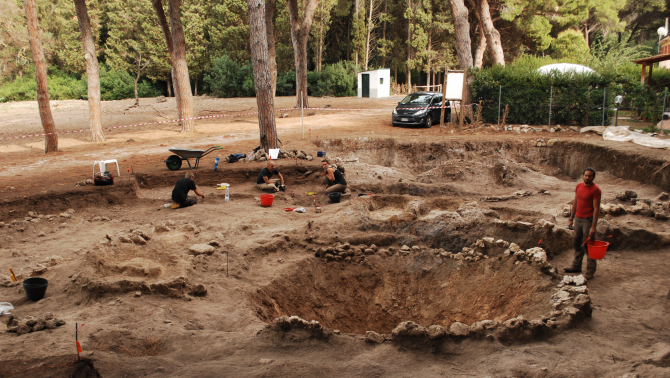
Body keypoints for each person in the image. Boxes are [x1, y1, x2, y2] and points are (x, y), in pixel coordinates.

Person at [564, 167, 601, 280]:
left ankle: (590, 271)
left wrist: (593, 226)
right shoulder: (579, 186)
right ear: (583, 175)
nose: (587, 177)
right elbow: (575, 203)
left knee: (588, 245)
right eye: (586, 175)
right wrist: (571, 218)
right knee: (576, 243)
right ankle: (576, 266)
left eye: (590, 176)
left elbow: (596, 209)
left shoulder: (595, 190)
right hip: (578, 218)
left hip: (587, 220)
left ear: (593, 177)